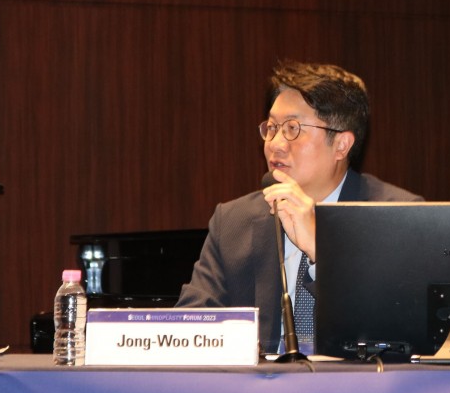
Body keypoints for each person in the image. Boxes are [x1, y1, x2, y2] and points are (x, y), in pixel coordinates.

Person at [178, 59, 422, 354]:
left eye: (293, 128)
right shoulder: (233, 222)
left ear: (341, 145)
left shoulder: (397, 218)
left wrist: (322, 251)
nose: (275, 143)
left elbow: (403, 332)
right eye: (272, 127)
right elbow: (187, 330)